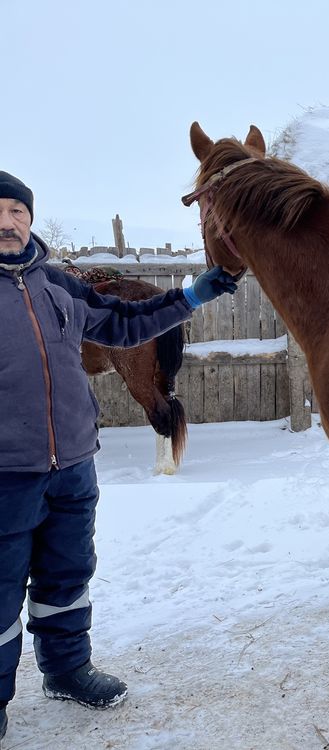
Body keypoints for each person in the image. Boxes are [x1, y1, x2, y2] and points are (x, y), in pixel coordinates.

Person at [0, 171, 239, 745]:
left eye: (17, 211)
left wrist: (193, 295)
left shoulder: (61, 286)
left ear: (30, 219)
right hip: (6, 475)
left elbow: (126, 323)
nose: (8, 222)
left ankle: (66, 669)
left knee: (68, 576)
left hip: (74, 466)